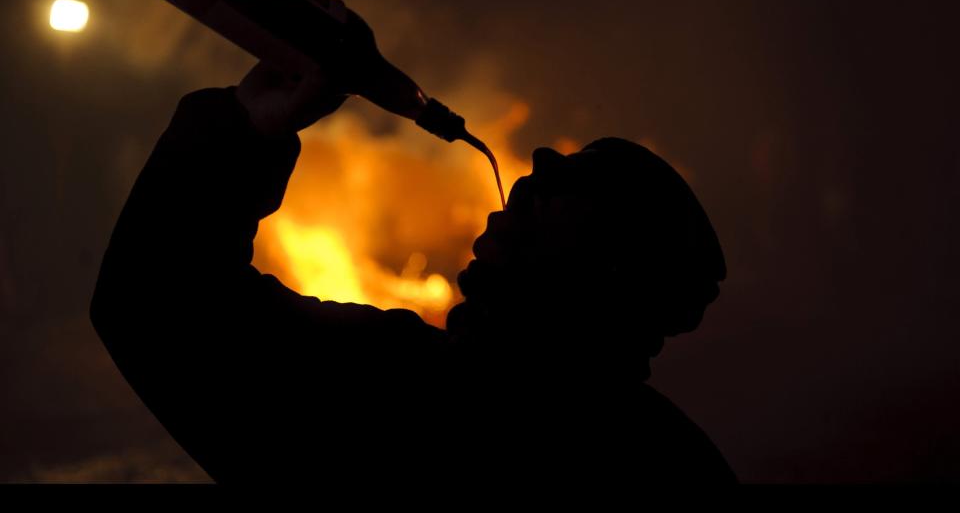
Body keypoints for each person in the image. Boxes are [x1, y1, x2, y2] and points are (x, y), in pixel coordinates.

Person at [91, 42, 736, 486]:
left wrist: (238, 131)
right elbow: (158, 304)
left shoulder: (395, 392)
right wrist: (245, 128)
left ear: (611, 273)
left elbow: (153, 304)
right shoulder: (675, 457)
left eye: (588, 180)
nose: (542, 158)